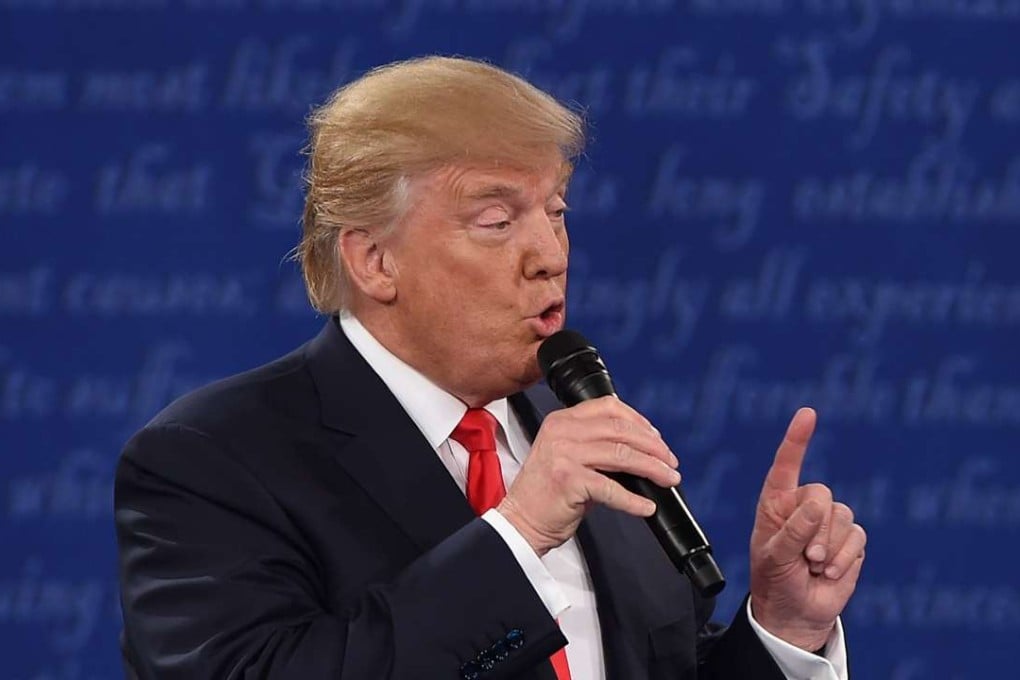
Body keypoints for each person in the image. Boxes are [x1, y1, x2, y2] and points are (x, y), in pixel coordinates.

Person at [114, 56, 866, 680]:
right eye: (497, 221)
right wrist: (521, 532)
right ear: (375, 260)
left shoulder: (585, 446)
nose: (550, 256)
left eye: (557, 211)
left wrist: (783, 630)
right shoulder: (213, 461)